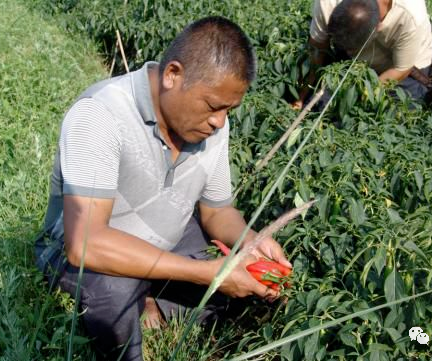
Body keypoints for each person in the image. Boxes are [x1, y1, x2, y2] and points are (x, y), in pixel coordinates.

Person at [34, 16, 291, 361]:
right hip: (93, 246)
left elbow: (217, 211)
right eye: (214, 106)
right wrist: (205, 274)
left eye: (230, 109)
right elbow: (85, 244)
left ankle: (153, 296)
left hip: (164, 233)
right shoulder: (101, 113)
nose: (220, 121)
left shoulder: (213, 125)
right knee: (114, 293)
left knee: (241, 290)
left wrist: (251, 240)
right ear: (173, 75)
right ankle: (141, 309)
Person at [292, 0, 432, 109]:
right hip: (356, 64)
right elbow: (317, 48)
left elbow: (401, 69)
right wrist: (302, 94)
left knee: (388, 120)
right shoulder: (327, 3)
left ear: (378, 26)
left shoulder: (411, 14)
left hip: (407, 71)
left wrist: (359, 94)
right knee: (317, 107)